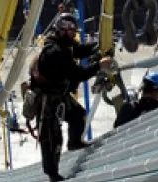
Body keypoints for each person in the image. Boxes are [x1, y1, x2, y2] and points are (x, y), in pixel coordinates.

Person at [30, 13, 111, 182]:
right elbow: (78, 75)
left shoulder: (64, 44)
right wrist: (99, 65)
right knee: (52, 138)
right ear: (59, 29)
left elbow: (79, 49)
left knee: (78, 115)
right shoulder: (55, 52)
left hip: (60, 94)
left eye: (72, 28)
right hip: (48, 99)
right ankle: (52, 175)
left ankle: (74, 142)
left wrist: (96, 46)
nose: (70, 32)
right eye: (66, 28)